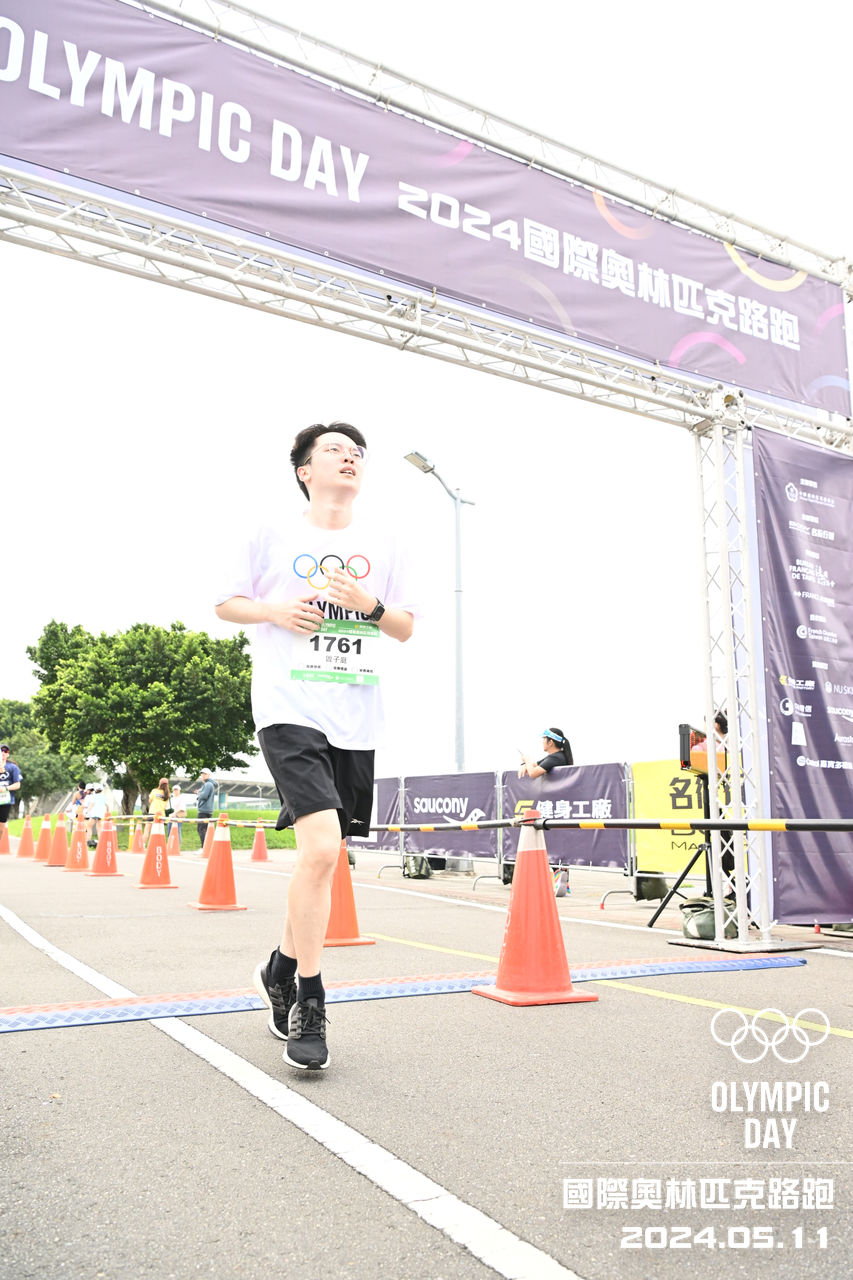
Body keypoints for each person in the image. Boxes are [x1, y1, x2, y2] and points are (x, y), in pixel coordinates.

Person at [215, 421, 418, 1071]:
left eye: (356, 452)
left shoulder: (384, 541)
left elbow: (404, 626)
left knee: (321, 861)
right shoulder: (270, 532)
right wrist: (275, 611)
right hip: (288, 708)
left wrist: (368, 605)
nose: (349, 457)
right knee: (324, 849)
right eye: (333, 450)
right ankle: (310, 997)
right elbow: (227, 603)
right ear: (305, 470)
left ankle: (279, 968)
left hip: (354, 717)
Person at [0, 744, 22, 844]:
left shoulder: (13, 767)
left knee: (1, 826)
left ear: (8, 754)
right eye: (1, 751)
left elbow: (17, 784)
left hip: (5, 800)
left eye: (5, 751)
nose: (3, 753)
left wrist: (5, 788)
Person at [194, 768, 215, 848]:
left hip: (204, 810)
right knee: (205, 830)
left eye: (205, 774)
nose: (203, 775)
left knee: (201, 829)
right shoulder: (209, 784)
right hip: (208, 810)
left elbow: (204, 796)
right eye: (202, 774)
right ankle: (206, 847)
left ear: (209, 775)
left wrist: (199, 793)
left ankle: (204, 847)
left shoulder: (208, 784)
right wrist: (200, 792)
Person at [170, 783, 188, 847]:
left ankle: (178, 846)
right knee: (170, 831)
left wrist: (174, 813)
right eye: (174, 790)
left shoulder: (181, 798)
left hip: (178, 817)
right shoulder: (172, 799)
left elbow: (182, 808)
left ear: (179, 790)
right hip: (171, 817)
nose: (175, 791)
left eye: (176, 790)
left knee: (177, 831)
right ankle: (171, 846)